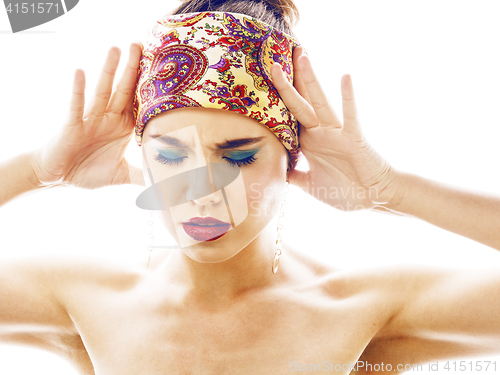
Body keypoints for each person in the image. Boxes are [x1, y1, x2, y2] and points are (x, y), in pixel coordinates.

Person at [1, 0, 499, 374]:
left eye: (238, 157)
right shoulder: (86, 300)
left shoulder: (358, 308)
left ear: (291, 157)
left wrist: (392, 190)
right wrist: (37, 170)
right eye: (171, 155)